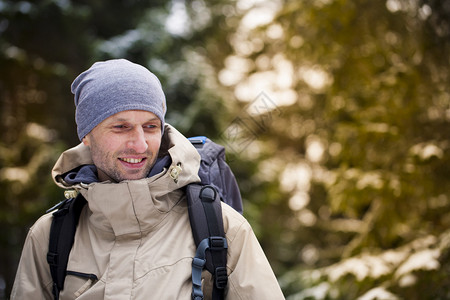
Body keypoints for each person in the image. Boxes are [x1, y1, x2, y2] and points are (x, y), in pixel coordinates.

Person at [10, 59, 285, 299]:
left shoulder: (223, 228)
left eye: (151, 127)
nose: (140, 144)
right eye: (121, 127)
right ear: (87, 135)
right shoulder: (48, 237)